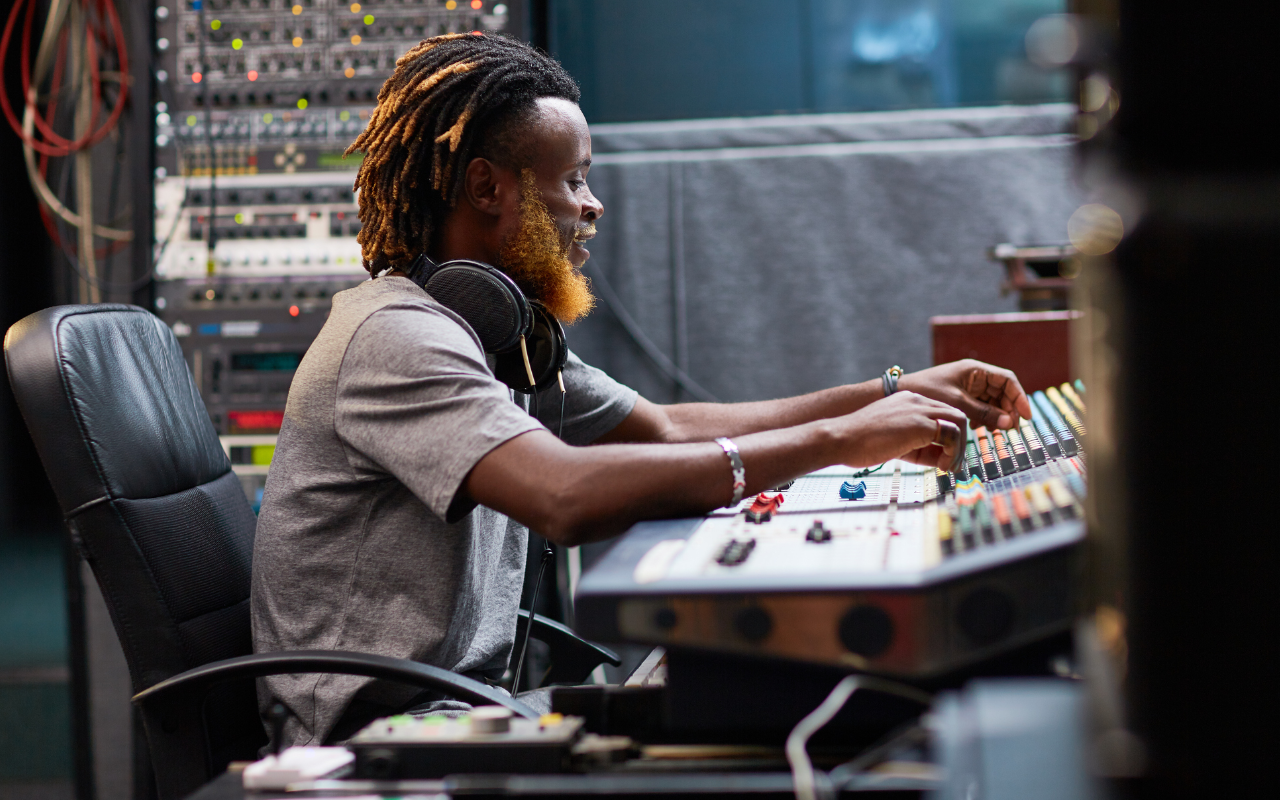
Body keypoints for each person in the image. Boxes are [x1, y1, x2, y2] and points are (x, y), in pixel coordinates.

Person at [250, 33, 1032, 748]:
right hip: (372, 744)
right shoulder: (398, 338)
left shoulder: (498, 339)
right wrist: (839, 443)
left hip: (462, 707)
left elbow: (665, 429)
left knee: (752, 690)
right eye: (572, 180)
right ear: (487, 187)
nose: (591, 206)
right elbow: (564, 496)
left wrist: (885, 394)